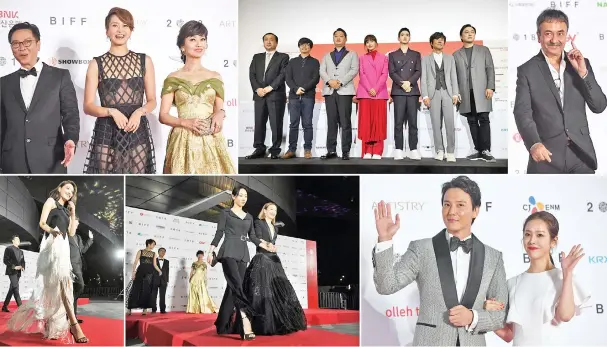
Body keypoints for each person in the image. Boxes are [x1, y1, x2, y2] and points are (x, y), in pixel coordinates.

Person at [373, 176, 507, 346]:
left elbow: (500, 316)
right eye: (447, 204)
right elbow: (386, 286)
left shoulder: (493, 257)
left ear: (475, 210)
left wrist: (473, 317)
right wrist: (384, 239)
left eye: (460, 205)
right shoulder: (421, 249)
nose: (451, 212)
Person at [514, 9, 607, 173]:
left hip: (581, 156)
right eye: (548, 34)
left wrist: (583, 74)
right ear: (539, 36)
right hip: (546, 156)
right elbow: (522, 112)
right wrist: (534, 143)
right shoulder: (527, 70)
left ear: (567, 36)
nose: (555, 40)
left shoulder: (581, 63)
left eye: (560, 33)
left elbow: (599, 106)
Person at [484, 211, 589, 345]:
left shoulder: (563, 277)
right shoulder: (512, 283)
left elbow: (565, 315)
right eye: (527, 234)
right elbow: (508, 335)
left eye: (540, 235)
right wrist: (488, 314)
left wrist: (567, 273)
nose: (532, 240)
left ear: (553, 241)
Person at [7, 181, 88, 343]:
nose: (70, 193)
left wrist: (73, 213)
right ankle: (74, 324)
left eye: (72, 191)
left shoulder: (67, 210)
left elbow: (71, 232)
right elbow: (42, 223)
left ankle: (54, 323)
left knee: (60, 286)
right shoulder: (51, 202)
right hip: (51, 245)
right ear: (59, 188)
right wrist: (52, 230)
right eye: (67, 189)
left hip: (64, 247)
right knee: (61, 282)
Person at [82, 7, 157, 174]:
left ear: (131, 30)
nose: (120, 30)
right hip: (107, 130)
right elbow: (87, 106)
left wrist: (139, 112)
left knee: (136, 180)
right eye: (115, 25)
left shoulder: (145, 61)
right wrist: (111, 111)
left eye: (125, 25)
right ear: (107, 31)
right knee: (107, 180)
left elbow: (152, 100)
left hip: (137, 129)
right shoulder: (96, 64)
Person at [0, 22, 79, 174]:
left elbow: (71, 114)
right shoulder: (3, 83)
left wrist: (70, 139)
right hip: (12, 161)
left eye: (27, 42)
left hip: (51, 160)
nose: (22, 48)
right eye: (16, 44)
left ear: (38, 44)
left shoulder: (60, 77)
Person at [159, 20, 235, 174]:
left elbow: (219, 109)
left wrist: (221, 114)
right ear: (182, 46)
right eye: (192, 39)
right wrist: (185, 122)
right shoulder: (173, 78)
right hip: (182, 137)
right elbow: (163, 116)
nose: (199, 44)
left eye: (202, 39)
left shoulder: (215, 77)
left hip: (209, 138)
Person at [243, 202, 307, 335]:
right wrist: (267, 244)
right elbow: (256, 237)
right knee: (262, 292)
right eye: (271, 209)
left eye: (275, 210)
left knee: (279, 291)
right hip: (262, 258)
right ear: (264, 211)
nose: (273, 212)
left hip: (274, 260)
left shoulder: (275, 228)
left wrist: (273, 247)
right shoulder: (258, 222)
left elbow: (273, 243)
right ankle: (259, 324)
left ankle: (279, 322)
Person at [207, 186, 256, 340]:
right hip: (228, 251)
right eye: (240, 195)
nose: (243, 198)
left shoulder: (249, 217)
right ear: (233, 197)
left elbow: (253, 236)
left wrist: (265, 244)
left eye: (245, 196)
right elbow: (219, 232)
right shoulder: (225, 213)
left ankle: (222, 324)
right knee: (238, 286)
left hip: (243, 254)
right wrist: (210, 251)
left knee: (232, 289)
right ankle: (245, 325)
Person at [454, 24, 496, 162]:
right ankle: (477, 150)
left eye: (472, 32)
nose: (470, 34)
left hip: (482, 90)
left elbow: (490, 68)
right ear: (461, 36)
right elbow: (454, 76)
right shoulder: (456, 54)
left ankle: (486, 150)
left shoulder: (483, 50)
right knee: (472, 121)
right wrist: (456, 92)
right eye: (466, 32)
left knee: (484, 119)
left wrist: (490, 86)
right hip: (465, 93)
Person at [245, 33, 289, 160]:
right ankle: (259, 148)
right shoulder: (257, 57)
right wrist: (257, 89)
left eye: (271, 40)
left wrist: (269, 88)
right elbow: (251, 74)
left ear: (276, 43)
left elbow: (283, 74)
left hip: (275, 94)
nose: (268, 42)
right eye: (266, 40)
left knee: (276, 123)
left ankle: (275, 150)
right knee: (259, 123)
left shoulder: (283, 57)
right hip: (259, 95)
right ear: (263, 42)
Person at [319, 28, 359, 161]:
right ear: (333, 38)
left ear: (345, 39)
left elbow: (354, 70)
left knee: (345, 122)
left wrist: (340, 82)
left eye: (341, 36)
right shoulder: (326, 55)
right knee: (331, 122)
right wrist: (330, 81)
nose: (338, 38)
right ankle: (331, 150)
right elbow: (322, 71)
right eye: (336, 36)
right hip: (330, 92)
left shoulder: (352, 54)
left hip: (345, 91)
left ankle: (346, 151)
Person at [421, 32, 460, 163]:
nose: (440, 42)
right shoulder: (425, 59)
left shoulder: (450, 58)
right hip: (433, 93)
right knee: (436, 123)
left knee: (449, 123)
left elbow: (454, 76)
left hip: (448, 92)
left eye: (442, 40)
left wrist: (455, 93)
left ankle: (450, 152)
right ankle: (439, 150)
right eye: (437, 40)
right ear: (431, 43)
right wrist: (425, 95)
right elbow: (424, 78)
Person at [283, 37, 320, 159]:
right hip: (294, 97)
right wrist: (295, 89)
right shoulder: (292, 62)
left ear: (310, 47)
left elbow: (315, 79)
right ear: (299, 47)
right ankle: (291, 149)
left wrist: (303, 88)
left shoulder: (315, 62)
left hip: (308, 96)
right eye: (302, 45)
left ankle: (307, 149)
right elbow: (288, 78)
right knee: (293, 124)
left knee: (307, 124)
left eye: (307, 45)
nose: (304, 47)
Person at [388, 27, 422, 160]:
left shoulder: (416, 54)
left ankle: (413, 149)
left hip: (412, 91)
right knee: (398, 122)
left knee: (413, 122)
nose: (404, 37)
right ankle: (398, 149)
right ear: (398, 38)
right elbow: (392, 72)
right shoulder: (392, 55)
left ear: (409, 38)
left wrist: (410, 83)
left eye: (407, 35)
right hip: (399, 91)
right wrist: (403, 83)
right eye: (402, 35)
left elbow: (418, 71)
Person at [357, 35, 389, 159]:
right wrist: (370, 88)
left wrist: (375, 89)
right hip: (365, 93)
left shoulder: (384, 58)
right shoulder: (361, 58)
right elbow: (362, 74)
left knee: (378, 122)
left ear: (376, 43)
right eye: (367, 42)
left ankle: (377, 151)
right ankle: (366, 150)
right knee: (366, 123)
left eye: (372, 41)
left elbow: (384, 74)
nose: (369, 44)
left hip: (379, 93)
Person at [126, 239, 162, 315]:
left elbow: (155, 265)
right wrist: (133, 272)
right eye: (153, 244)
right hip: (140, 272)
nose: (153, 246)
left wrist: (159, 271)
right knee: (135, 289)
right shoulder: (140, 251)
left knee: (146, 291)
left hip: (149, 274)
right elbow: (135, 262)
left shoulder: (154, 254)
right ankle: (129, 308)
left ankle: (145, 309)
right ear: (149, 244)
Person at [68, 221, 93, 323]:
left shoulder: (78, 237)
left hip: (79, 266)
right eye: (75, 223)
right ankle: (68, 310)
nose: (77, 225)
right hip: (70, 266)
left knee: (74, 291)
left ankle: (72, 317)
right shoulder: (65, 236)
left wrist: (90, 239)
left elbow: (83, 250)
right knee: (81, 286)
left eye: (78, 224)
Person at [2, 235, 25, 312]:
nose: (19, 241)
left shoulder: (21, 251)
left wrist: (23, 266)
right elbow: (5, 260)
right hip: (12, 271)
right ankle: (20, 306)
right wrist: (14, 267)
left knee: (12, 289)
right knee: (15, 287)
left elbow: (23, 261)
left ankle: (4, 306)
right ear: (13, 241)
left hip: (18, 272)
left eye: (19, 239)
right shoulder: (8, 249)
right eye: (17, 239)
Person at [152, 247, 169, 314]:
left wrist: (167, 280)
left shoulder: (167, 261)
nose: (163, 252)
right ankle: (153, 310)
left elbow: (167, 271)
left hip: (164, 281)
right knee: (154, 296)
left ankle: (162, 310)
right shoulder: (154, 260)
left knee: (162, 296)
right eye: (161, 251)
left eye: (164, 251)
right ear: (158, 252)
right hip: (155, 280)